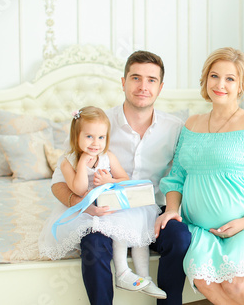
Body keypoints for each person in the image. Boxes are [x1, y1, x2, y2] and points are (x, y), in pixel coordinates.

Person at [49, 51, 190, 305]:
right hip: (104, 210)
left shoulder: (175, 127)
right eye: (136, 78)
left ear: (160, 87)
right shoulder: (97, 124)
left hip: (150, 210)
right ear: (123, 82)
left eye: (151, 80)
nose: (143, 87)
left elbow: (181, 175)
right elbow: (58, 181)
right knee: (92, 243)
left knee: (180, 236)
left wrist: (171, 210)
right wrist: (82, 204)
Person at [157, 47, 244, 305]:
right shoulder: (191, 125)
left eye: (230, 79)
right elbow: (176, 177)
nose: (220, 84)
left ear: (241, 85)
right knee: (204, 279)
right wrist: (172, 210)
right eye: (214, 76)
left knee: (236, 283)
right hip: (201, 230)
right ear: (205, 79)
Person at [39, 106, 166, 298]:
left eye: (101, 137)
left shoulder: (107, 157)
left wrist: (110, 181)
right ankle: (123, 272)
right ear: (76, 136)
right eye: (89, 136)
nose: (95, 143)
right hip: (85, 208)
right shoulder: (68, 161)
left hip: (109, 203)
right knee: (113, 228)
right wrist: (82, 164)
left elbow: (124, 179)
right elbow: (79, 190)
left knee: (135, 223)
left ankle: (144, 277)